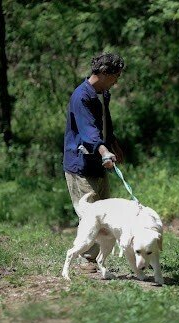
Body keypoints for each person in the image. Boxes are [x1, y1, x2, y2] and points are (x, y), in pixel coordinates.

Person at [63, 52, 125, 272]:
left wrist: (113, 144)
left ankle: (98, 260)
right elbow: (88, 131)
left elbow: (103, 123)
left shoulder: (102, 93)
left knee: (104, 212)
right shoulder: (81, 96)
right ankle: (87, 261)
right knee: (90, 214)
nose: (117, 80)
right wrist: (104, 150)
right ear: (105, 73)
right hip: (81, 164)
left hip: (98, 160)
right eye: (116, 75)